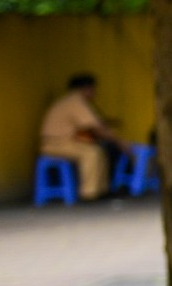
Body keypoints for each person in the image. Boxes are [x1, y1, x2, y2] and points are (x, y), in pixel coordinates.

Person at [39, 72, 123, 200]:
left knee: (98, 150)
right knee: (91, 153)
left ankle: (101, 190)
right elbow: (94, 127)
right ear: (86, 88)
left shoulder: (70, 101)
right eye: (93, 89)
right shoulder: (75, 101)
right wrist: (119, 141)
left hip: (63, 142)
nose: (94, 93)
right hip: (55, 144)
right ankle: (89, 193)